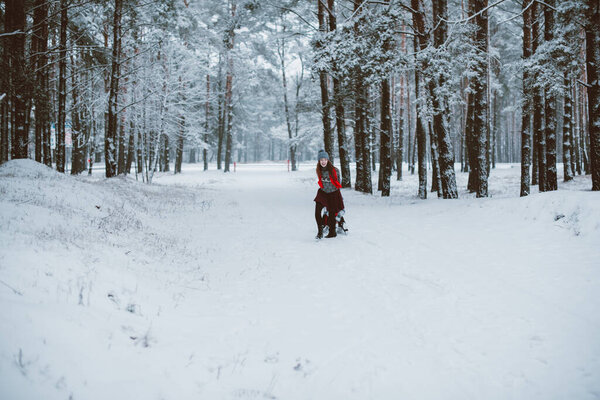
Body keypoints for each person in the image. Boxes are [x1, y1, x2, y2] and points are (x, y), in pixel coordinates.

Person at [314, 149, 346, 239]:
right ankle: (320, 231)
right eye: (321, 160)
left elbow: (338, 183)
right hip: (322, 193)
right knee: (317, 212)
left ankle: (332, 232)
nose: (323, 162)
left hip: (333, 193)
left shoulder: (334, 170)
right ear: (319, 161)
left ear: (328, 160)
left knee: (332, 213)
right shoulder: (318, 170)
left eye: (325, 160)